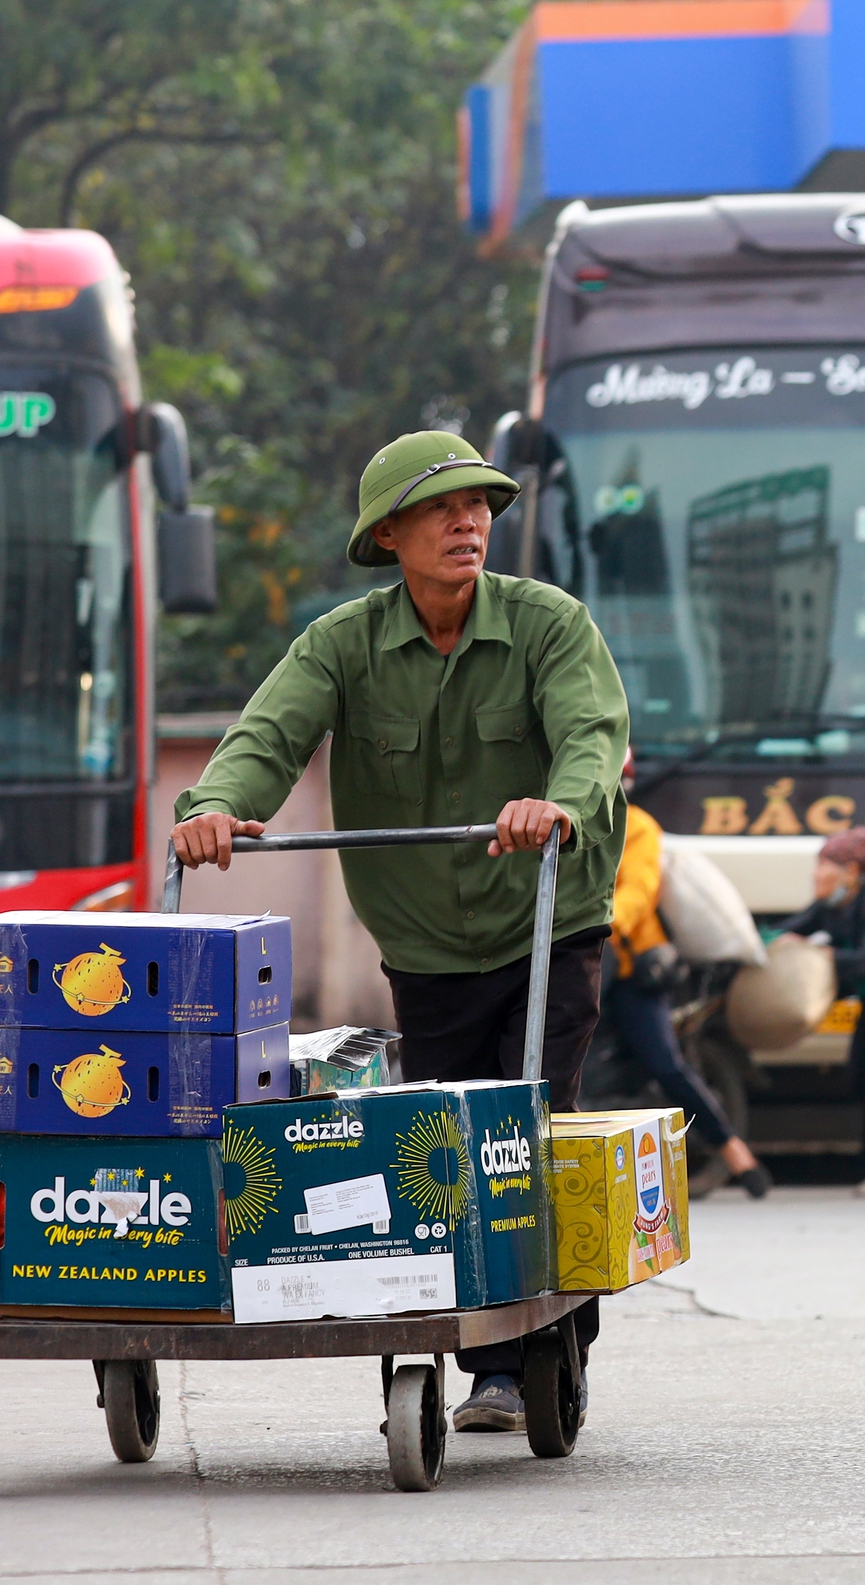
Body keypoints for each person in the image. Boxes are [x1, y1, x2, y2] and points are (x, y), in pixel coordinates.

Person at [171, 430, 629, 1435]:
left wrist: (557, 803)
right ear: (389, 535)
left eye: (480, 507)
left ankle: (527, 1356)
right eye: (442, 509)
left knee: (529, 1134)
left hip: (548, 921)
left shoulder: (551, 623)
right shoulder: (343, 642)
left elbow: (593, 735)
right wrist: (217, 805)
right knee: (440, 1152)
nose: (470, 522)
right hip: (424, 941)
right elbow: (269, 733)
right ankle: (475, 1347)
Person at [608, 751, 768, 1200]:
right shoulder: (557, 822)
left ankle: (736, 1152)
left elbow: (638, 891)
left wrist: (595, 925)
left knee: (666, 1064)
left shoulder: (636, 826)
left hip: (627, 966)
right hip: (566, 961)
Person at [781, 828, 865, 1198]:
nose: (816, 876)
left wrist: (820, 955)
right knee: (859, 1079)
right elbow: (785, 932)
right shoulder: (830, 907)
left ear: (852, 873)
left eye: (824, 867)